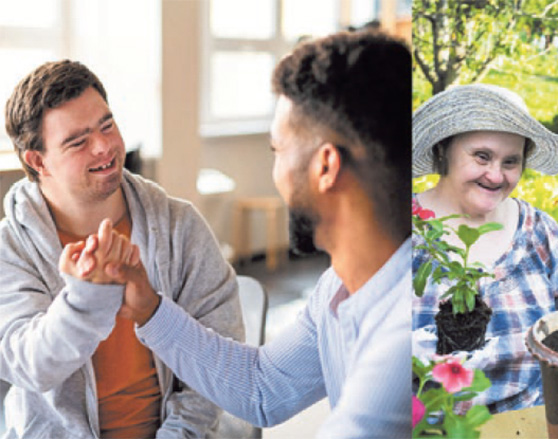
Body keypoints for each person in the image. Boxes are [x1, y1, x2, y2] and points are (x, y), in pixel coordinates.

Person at [85, 31, 412, 438]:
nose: (274, 170)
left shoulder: (403, 342)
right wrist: (150, 308)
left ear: (325, 167)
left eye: (276, 150)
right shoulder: (339, 289)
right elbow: (263, 388)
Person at [0, 60, 244, 438]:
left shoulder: (180, 226)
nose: (105, 147)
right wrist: (85, 298)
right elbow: (30, 364)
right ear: (37, 161)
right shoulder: (10, 247)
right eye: (78, 141)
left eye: (107, 125)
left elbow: (218, 360)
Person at [411, 83, 558, 414]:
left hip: (531, 420)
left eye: (511, 161)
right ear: (443, 151)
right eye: (482, 156)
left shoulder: (541, 233)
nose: (496, 175)